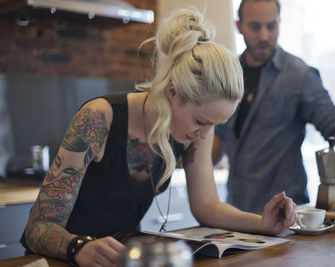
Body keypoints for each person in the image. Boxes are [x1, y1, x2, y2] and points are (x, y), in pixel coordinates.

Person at [21, 8, 298, 267]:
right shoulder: (99, 119)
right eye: (201, 121)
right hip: (62, 259)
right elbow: (38, 228)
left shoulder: (196, 130)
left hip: (121, 259)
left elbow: (207, 207)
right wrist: (78, 247)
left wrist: (263, 224)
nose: (204, 135)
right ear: (173, 91)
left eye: (214, 124)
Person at [212, 0, 335, 213]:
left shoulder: (299, 76)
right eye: (255, 27)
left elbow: (333, 122)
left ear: (280, 24)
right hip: (237, 214)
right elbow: (216, 142)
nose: (264, 36)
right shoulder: (228, 76)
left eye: (271, 26)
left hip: (286, 215)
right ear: (239, 26)